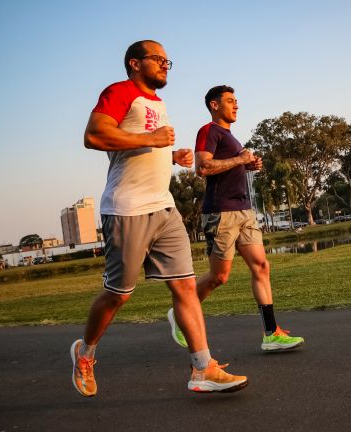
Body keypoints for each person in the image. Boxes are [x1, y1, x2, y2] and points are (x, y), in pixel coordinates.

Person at [71, 41, 247, 397]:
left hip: (164, 208)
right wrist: (151, 138)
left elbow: (139, 150)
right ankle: (85, 352)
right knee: (118, 294)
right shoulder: (120, 92)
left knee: (185, 287)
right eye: (158, 59)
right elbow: (93, 135)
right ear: (135, 63)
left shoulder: (157, 102)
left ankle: (203, 368)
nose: (166, 65)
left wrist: (169, 155)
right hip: (126, 210)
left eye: (168, 60)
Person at [166, 85, 304, 352]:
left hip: (244, 210)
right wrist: (240, 159)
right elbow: (203, 167)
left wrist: (248, 163)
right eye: (230, 101)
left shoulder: (231, 137)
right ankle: (180, 313)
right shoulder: (208, 131)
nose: (236, 105)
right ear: (214, 105)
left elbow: (231, 164)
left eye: (236, 101)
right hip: (221, 212)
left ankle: (271, 334)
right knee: (220, 277)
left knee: (262, 266)